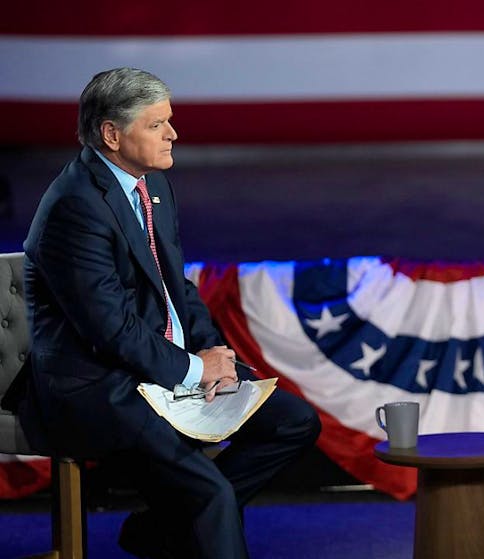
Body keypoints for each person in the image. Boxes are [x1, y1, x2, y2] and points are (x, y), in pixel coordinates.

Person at [18, 68, 321, 558]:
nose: (173, 134)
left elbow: (173, 283)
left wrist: (213, 357)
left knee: (294, 422)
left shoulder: (151, 185)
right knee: (212, 496)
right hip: (99, 386)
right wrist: (195, 368)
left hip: (161, 367)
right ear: (112, 134)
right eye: (157, 124)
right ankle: (180, 521)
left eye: (170, 121)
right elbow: (109, 330)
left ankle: (159, 528)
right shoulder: (75, 207)